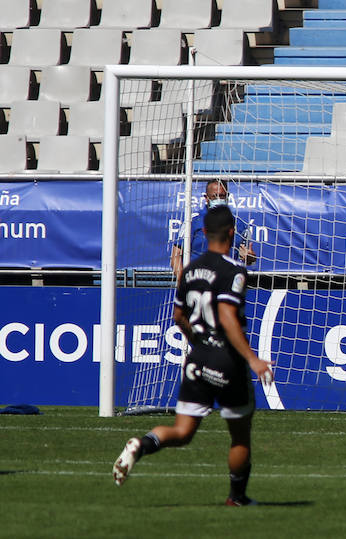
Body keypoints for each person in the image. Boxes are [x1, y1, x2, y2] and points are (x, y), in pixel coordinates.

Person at [112, 205, 274, 506]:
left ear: (202, 233)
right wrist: (252, 358)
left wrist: (198, 341)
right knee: (240, 435)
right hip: (227, 360)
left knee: (183, 431)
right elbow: (226, 315)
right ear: (231, 232)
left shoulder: (188, 270)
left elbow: (178, 316)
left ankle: (141, 444)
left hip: (197, 358)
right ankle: (237, 498)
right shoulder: (235, 270)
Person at [172, 180, 257, 283]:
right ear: (206, 198)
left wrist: (249, 258)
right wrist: (183, 283)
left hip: (226, 283)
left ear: (227, 196)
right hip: (199, 282)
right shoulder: (193, 222)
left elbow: (249, 258)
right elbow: (176, 256)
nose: (219, 200)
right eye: (214, 197)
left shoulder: (238, 224)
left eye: (222, 196)